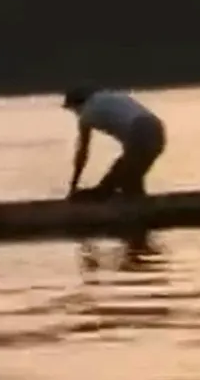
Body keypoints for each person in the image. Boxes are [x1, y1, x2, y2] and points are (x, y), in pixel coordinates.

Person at [62, 87, 167, 254]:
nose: (75, 113)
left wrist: (73, 185)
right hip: (157, 129)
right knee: (131, 183)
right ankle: (141, 235)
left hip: (139, 132)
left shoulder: (86, 114)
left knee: (109, 187)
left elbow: (82, 153)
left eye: (73, 109)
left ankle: (137, 239)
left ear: (77, 105)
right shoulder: (108, 97)